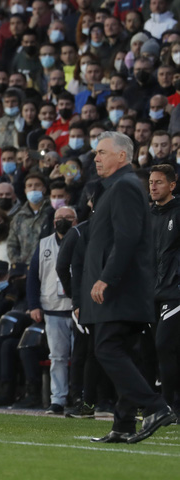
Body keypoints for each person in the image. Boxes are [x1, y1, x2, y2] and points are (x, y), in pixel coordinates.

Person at [83, 132, 175, 444]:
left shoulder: (124, 187)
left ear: (122, 156)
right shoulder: (115, 188)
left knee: (107, 348)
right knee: (124, 352)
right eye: (95, 153)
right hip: (124, 288)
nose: (96, 157)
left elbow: (127, 237)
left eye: (102, 152)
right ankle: (123, 424)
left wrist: (107, 277)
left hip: (121, 289)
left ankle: (155, 407)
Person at [27, 206, 78, 415]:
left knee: (80, 357)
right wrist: (33, 305)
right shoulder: (44, 243)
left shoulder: (84, 240)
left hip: (78, 307)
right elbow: (32, 277)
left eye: (68, 217)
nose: (63, 220)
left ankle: (79, 396)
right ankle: (57, 399)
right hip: (52, 307)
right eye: (59, 217)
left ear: (76, 220)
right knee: (57, 356)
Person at [148, 164, 180, 418]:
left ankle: (169, 405)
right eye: (151, 182)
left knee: (164, 344)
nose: (154, 187)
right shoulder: (147, 215)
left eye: (159, 182)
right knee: (154, 348)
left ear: (172, 185)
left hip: (174, 291)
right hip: (151, 292)